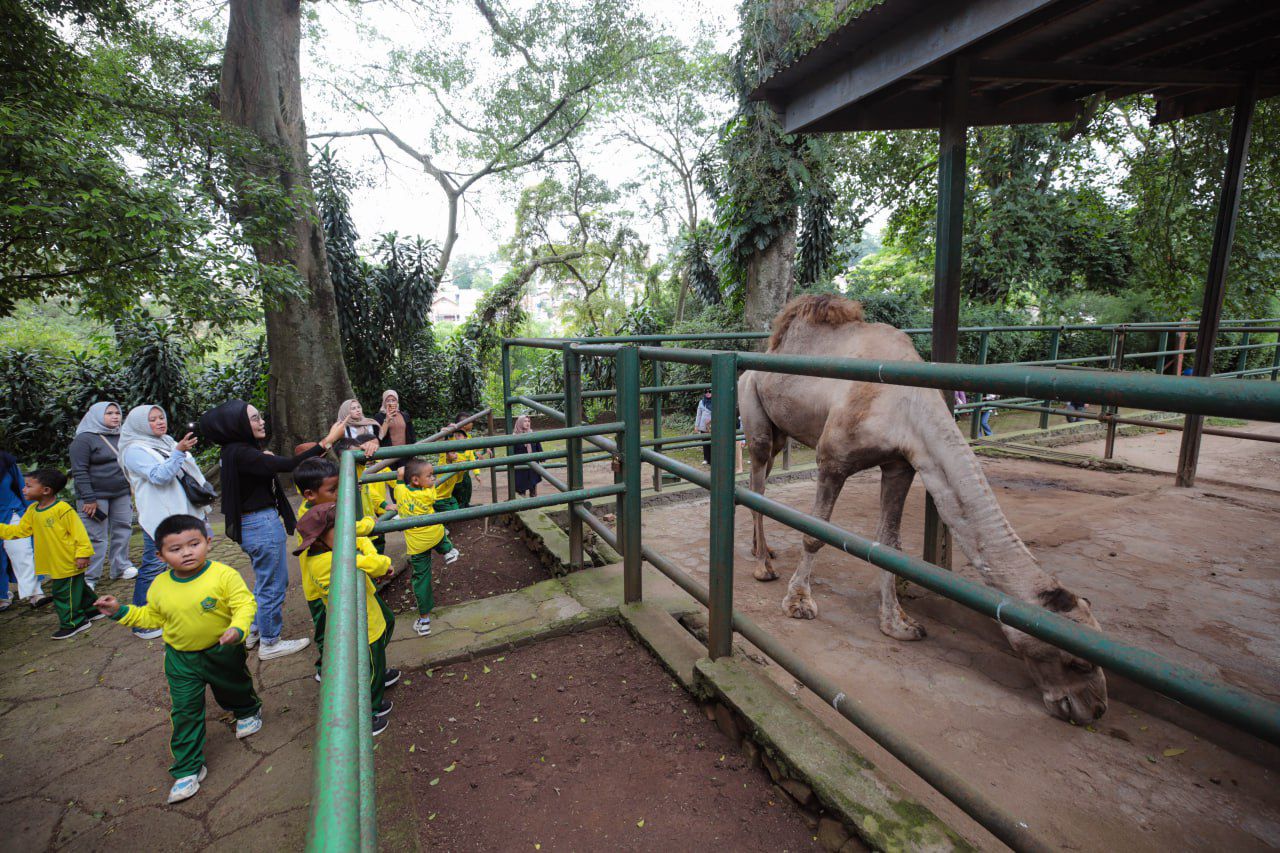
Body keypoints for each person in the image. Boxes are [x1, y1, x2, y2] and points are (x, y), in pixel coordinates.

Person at [93, 514, 261, 804]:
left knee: (233, 686)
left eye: (194, 544)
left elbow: (244, 604)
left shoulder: (223, 575)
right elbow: (151, 617)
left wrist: (238, 628)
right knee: (185, 710)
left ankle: (246, 711)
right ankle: (188, 767)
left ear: (208, 542)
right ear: (160, 555)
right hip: (181, 659)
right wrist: (120, 611)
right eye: (175, 549)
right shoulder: (159, 585)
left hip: (222, 650)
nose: (186, 552)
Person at [199, 399, 346, 661]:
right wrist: (328, 440)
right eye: (254, 418)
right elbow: (290, 464)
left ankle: (255, 630)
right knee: (273, 585)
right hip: (261, 526)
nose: (262, 421)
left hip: (252, 525)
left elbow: (266, 467)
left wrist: (264, 459)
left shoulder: (233, 451)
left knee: (265, 581)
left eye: (260, 416)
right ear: (237, 425)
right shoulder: (243, 454)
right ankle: (270, 642)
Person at [295, 502, 397, 735]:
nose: (347, 533)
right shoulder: (332, 561)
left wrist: (364, 546)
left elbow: (361, 543)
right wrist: (378, 560)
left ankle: (372, 692)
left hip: (366, 615)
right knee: (371, 668)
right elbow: (376, 563)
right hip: (361, 624)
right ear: (320, 538)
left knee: (384, 632)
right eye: (340, 530)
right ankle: (366, 715)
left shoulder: (327, 553)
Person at [119, 404, 211, 641]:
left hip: (183, 512)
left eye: (161, 417)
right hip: (159, 517)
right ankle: (142, 623)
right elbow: (159, 476)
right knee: (153, 567)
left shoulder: (165, 441)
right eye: (152, 419)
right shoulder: (133, 450)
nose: (160, 422)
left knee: (190, 562)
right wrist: (178, 452)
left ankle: (188, 610)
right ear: (140, 424)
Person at [293, 456, 381, 679]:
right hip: (319, 588)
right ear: (310, 494)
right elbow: (345, 528)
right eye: (333, 490)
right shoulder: (313, 517)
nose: (340, 494)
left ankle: (365, 668)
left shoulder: (323, 507)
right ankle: (328, 673)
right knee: (328, 631)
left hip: (333, 577)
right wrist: (368, 523)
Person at [0, 468, 96, 639]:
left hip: (68, 560)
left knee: (62, 593)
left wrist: (83, 554)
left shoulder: (62, 509)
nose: (23, 489)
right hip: (54, 560)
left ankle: (74, 622)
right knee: (76, 587)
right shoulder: (32, 510)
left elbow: (79, 533)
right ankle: (93, 610)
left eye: (28, 486)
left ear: (45, 490)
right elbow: (21, 531)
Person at [68, 401, 135, 588]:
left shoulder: (122, 435)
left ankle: (121, 566)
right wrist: (88, 498)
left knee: (123, 528)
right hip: (95, 496)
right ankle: (90, 577)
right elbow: (79, 471)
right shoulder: (83, 440)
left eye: (117, 413)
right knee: (95, 536)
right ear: (96, 416)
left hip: (120, 492)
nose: (115, 416)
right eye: (109, 413)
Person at [393, 457, 458, 637]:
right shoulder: (429, 494)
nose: (433, 479)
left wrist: (400, 476)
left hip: (417, 545)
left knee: (421, 580)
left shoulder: (400, 493)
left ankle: (424, 621)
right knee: (439, 529)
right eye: (429, 476)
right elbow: (431, 491)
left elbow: (399, 482)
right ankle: (448, 551)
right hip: (435, 535)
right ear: (415, 480)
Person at [0, 450, 47, 609]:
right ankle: (2, 595)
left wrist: (34, 512)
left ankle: (35, 593)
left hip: (11, 512)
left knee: (22, 552)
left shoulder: (5, 460)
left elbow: (23, 487)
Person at [449, 414, 485, 509]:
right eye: (470, 422)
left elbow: (471, 452)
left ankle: (466, 504)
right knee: (457, 490)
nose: (472, 423)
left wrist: (477, 473)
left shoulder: (467, 437)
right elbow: (448, 436)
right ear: (464, 424)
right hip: (455, 471)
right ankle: (459, 508)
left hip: (465, 470)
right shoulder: (453, 436)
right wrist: (450, 429)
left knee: (467, 487)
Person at [374, 390, 417, 468]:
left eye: (393, 400)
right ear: (384, 402)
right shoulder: (379, 416)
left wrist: (414, 452)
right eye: (388, 401)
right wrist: (387, 419)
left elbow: (412, 435)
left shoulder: (405, 415)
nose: (391, 403)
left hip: (406, 453)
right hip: (389, 455)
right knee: (393, 475)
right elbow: (379, 437)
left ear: (397, 402)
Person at [511, 415, 542, 497]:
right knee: (521, 487)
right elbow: (512, 452)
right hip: (521, 465)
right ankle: (522, 498)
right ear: (520, 422)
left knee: (533, 483)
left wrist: (542, 457)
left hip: (532, 464)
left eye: (528, 421)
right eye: (525, 421)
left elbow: (538, 447)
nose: (527, 423)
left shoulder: (532, 434)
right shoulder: (514, 436)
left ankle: (533, 497)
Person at [694, 390, 712, 465]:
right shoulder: (701, 402)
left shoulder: (716, 401)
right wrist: (696, 426)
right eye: (706, 392)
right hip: (703, 426)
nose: (708, 393)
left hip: (713, 426)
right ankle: (706, 459)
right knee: (705, 442)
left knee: (712, 442)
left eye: (709, 391)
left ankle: (713, 459)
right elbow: (698, 415)